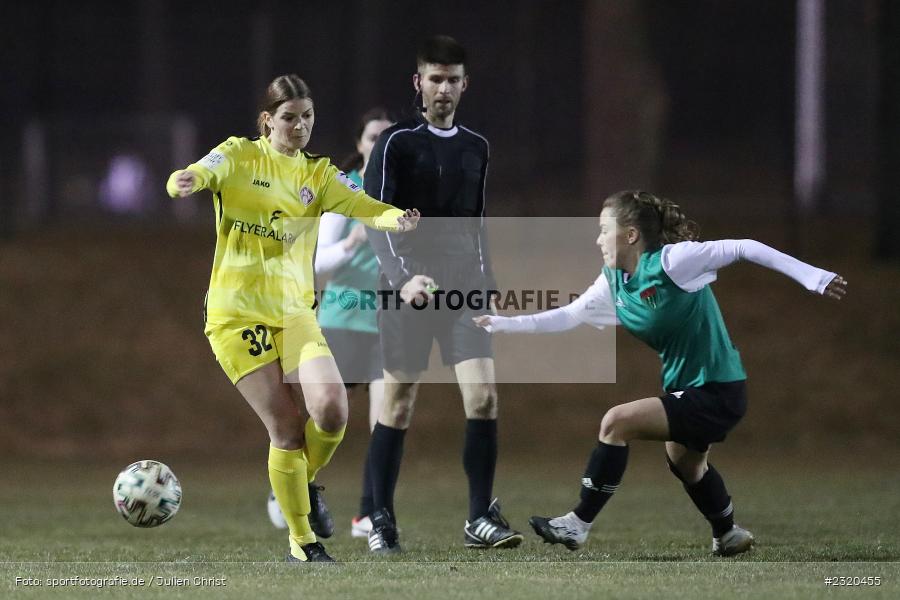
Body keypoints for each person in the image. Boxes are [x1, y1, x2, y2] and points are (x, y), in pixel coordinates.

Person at [474, 190, 847, 555]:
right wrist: (504, 324)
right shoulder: (615, 281)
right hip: (688, 389)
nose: (598, 238)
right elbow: (570, 315)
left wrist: (813, 277)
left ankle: (578, 524)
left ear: (631, 235)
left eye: (605, 229)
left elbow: (744, 246)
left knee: (616, 422)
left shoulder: (673, 262)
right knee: (687, 464)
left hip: (719, 389)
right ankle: (728, 533)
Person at [166, 74, 419, 563]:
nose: (299, 126)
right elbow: (201, 171)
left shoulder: (320, 175)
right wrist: (185, 181)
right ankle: (302, 540)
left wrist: (394, 218)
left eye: (307, 117)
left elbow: (364, 205)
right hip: (236, 315)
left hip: (294, 313)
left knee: (331, 409)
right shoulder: (239, 155)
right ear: (267, 121)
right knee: (285, 427)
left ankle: (301, 484)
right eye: (288, 118)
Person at [361, 35, 522, 554]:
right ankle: (381, 518)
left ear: (464, 85)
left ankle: (480, 517)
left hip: (464, 288)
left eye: (453, 80)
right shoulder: (395, 144)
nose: (444, 89)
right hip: (406, 286)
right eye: (435, 78)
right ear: (418, 83)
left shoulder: (478, 146)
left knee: (483, 396)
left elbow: (476, 223)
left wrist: (488, 283)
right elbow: (373, 220)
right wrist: (401, 279)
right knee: (400, 401)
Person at [266, 108, 394, 539]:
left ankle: (367, 513)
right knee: (325, 415)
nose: (380, 144)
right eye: (373, 136)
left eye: (387, 137)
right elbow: (318, 263)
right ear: (360, 144)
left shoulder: (397, 191)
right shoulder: (345, 187)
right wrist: (355, 242)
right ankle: (292, 478)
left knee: (386, 421)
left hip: (386, 322)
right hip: (340, 318)